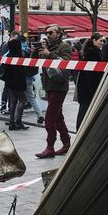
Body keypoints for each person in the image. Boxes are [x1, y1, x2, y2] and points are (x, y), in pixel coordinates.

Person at [36, 24, 73, 158]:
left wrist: (49, 54)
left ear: (59, 33)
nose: (48, 35)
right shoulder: (47, 47)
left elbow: (65, 62)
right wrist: (36, 50)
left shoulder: (64, 46)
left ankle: (50, 146)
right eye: (47, 33)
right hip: (49, 85)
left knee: (50, 117)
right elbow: (36, 60)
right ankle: (66, 143)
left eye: (51, 32)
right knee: (58, 117)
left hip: (59, 85)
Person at [75, 32, 105, 130]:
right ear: (94, 40)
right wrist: (97, 88)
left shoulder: (88, 50)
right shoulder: (93, 52)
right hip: (89, 87)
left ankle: (80, 130)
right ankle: (82, 131)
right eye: (100, 41)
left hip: (85, 86)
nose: (102, 43)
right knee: (85, 110)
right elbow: (93, 74)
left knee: (84, 110)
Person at [1, 38, 30, 131]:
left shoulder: (8, 56)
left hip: (9, 82)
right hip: (19, 82)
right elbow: (23, 71)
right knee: (22, 100)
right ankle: (18, 121)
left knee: (12, 101)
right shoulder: (20, 57)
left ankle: (11, 122)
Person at [23, 49, 45, 124]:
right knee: (32, 98)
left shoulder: (21, 55)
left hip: (21, 80)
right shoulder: (31, 56)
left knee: (17, 99)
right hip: (29, 79)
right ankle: (39, 115)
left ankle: (15, 118)